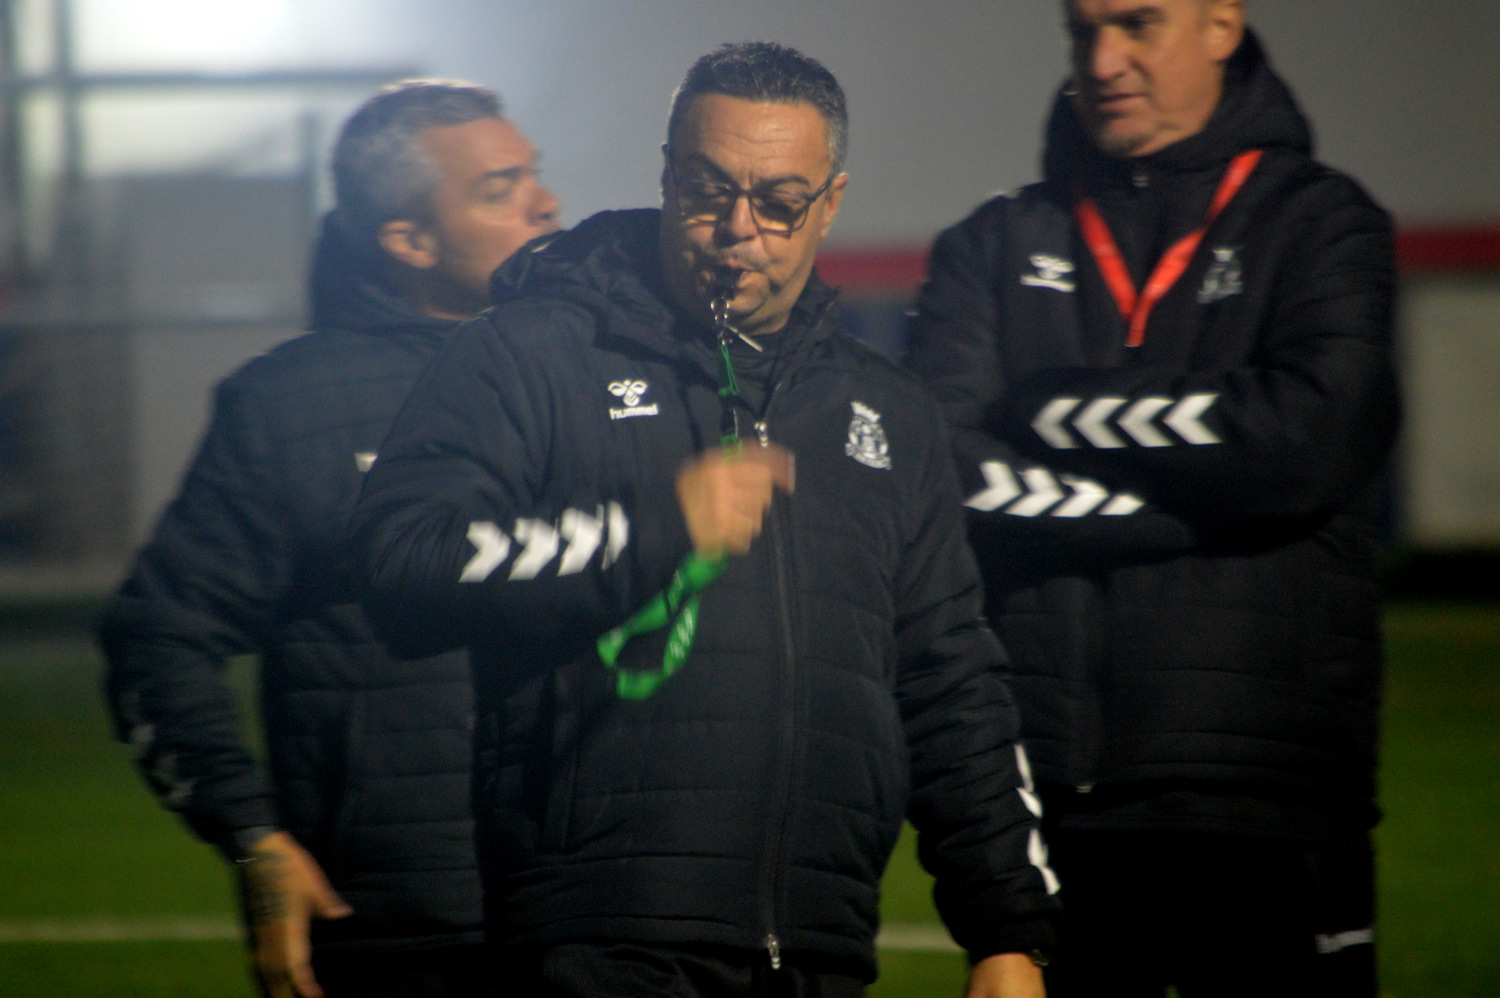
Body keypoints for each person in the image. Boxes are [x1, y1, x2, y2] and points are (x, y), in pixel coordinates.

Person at [352, 42, 1058, 998]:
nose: (737, 228)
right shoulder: (532, 352)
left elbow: (949, 679)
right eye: (706, 188)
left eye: (778, 202)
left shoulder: (887, 411)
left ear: (830, 205)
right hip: (599, 940)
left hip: (820, 948)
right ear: (665, 173)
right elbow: (402, 565)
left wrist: (1006, 933)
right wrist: (650, 531)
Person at [906, 1, 1399, 995]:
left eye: (1138, 24)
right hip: (1051, 799)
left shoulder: (1323, 220)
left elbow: (1307, 436)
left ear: (1223, 22)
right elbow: (940, 473)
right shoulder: (994, 242)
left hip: (1268, 800)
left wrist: (1048, 409)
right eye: (1081, 30)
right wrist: (1199, 505)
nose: (1103, 59)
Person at [100, 79, 559, 998]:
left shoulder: (596, 381)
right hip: (398, 932)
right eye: (499, 188)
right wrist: (252, 834)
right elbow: (159, 639)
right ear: (409, 240)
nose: (545, 203)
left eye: (535, 176)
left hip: (599, 914)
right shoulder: (289, 408)